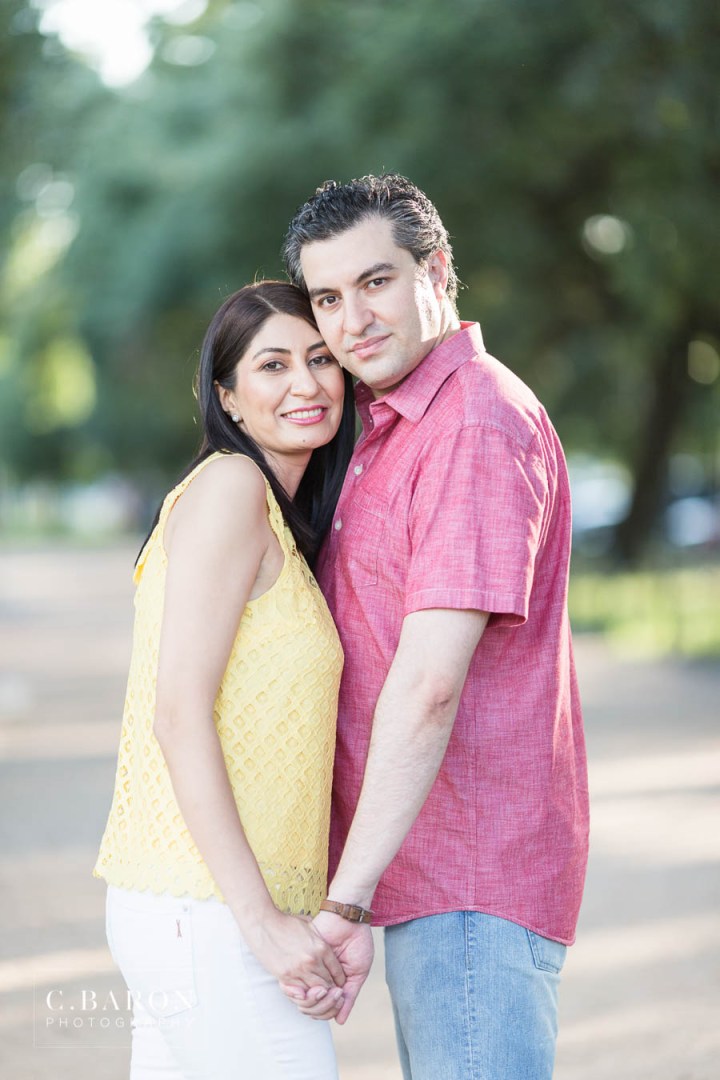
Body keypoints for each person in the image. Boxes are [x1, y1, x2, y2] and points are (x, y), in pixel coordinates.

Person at [280, 175, 590, 1079]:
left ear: (438, 270)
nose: (351, 320)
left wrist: (344, 899)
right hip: (427, 869)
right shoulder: (394, 424)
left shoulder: (474, 423)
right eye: (327, 298)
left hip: (469, 876)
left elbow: (429, 682)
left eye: (375, 282)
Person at [93, 281, 357, 1080]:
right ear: (229, 399)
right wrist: (263, 923)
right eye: (272, 366)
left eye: (320, 359)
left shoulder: (271, 512)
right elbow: (179, 714)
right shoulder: (231, 490)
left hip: (196, 912)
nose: (305, 384)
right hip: (209, 915)